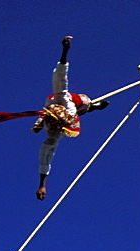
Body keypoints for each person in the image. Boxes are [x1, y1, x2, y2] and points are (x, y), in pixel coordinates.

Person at [34, 36, 109, 200]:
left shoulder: (65, 102)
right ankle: (92, 108)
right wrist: (42, 184)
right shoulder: (59, 106)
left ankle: (93, 107)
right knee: (50, 143)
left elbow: (61, 76)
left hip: (73, 108)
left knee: (83, 105)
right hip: (63, 114)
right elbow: (46, 153)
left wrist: (65, 50)